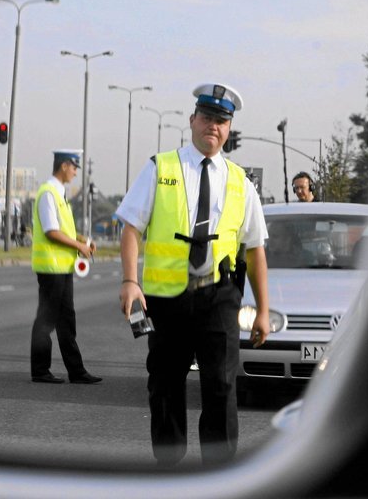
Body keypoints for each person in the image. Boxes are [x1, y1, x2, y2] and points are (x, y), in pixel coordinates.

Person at [116, 82, 270, 467]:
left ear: (229, 128)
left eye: (221, 121)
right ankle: (169, 470)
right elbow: (131, 228)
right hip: (167, 300)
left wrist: (263, 309)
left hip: (218, 296)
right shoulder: (160, 167)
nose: (213, 127)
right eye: (207, 118)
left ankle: (218, 472)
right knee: (165, 387)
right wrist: (130, 281)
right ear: (192, 120)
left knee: (220, 386)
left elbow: (255, 249)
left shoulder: (240, 182)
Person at [30, 149, 102, 385]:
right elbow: (52, 232)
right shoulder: (49, 193)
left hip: (62, 267)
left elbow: (64, 230)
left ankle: (76, 371)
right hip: (51, 268)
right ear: (63, 166)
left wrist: (81, 240)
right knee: (47, 320)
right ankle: (40, 370)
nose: (75, 172)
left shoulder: (59, 194)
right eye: (73, 167)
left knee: (66, 320)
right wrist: (78, 246)